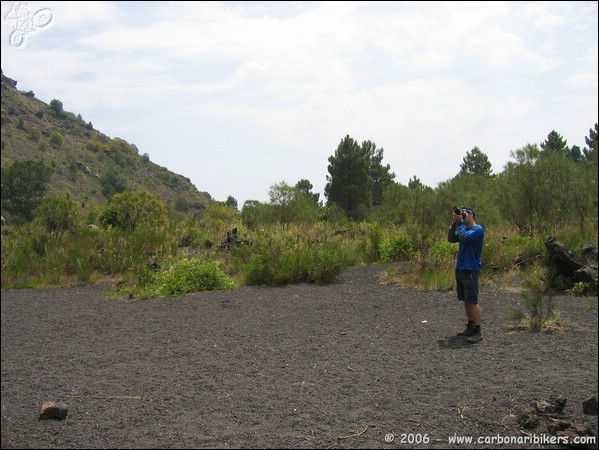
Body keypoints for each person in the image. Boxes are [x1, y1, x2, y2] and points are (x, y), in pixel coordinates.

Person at [447, 207, 485, 343]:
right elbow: (451, 238)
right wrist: (454, 223)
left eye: (465, 213)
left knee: (472, 300)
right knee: (465, 299)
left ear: (472, 215)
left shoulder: (477, 230)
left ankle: (478, 331)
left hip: (471, 269)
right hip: (461, 268)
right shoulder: (463, 228)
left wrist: (460, 223)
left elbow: (464, 237)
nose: (462, 215)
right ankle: (471, 325)